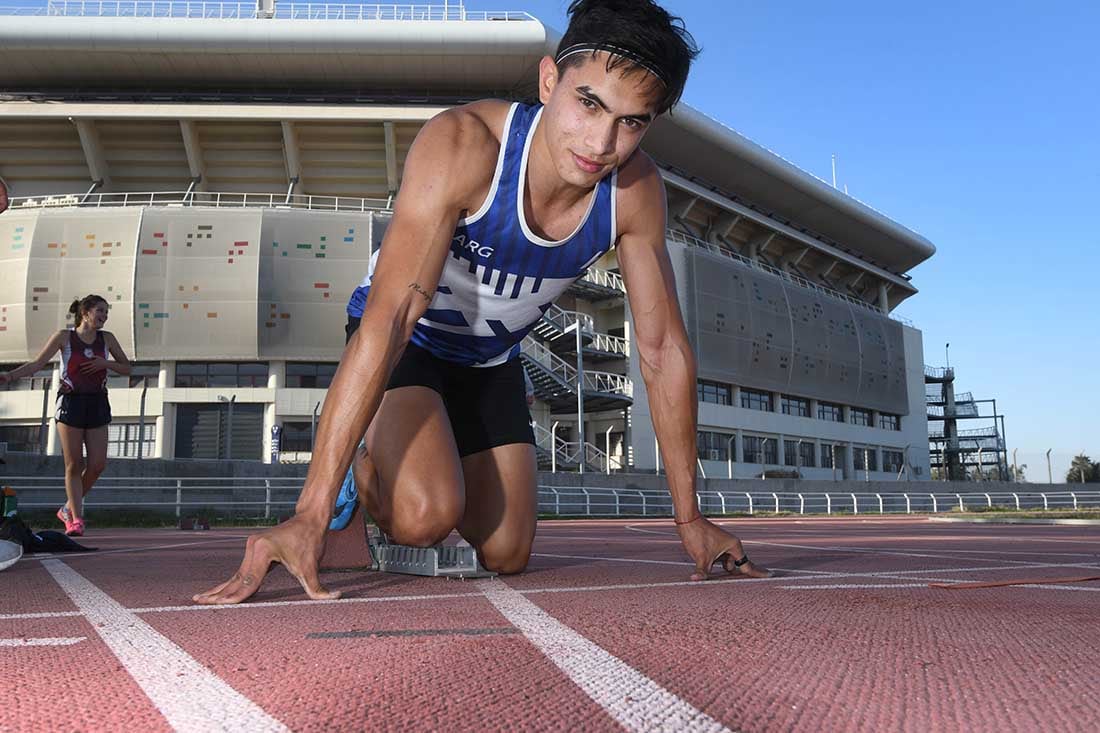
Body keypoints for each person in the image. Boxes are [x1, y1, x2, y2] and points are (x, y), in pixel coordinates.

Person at [195, 0, 770, 605]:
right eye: (589, 103)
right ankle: (361, 476)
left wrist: (690, 521)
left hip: (490, 360)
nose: (601, 142)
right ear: (550, 80)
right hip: (407, 342)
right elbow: (391, 320)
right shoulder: (465, 145)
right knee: (424, 517)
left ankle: (413, 457)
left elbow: (660, 349)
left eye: (632, 122)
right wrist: (307, 513)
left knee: (507, 552)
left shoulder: (634, 190)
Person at [0, 295, 131, 536]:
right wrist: (9, 377)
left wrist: (106, 364)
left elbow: (127, 367)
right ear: (86, 312)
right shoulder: (64, 337)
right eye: (100, 311)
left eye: (106, 312)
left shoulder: (107, 339)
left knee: (98, 464)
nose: (104, 316)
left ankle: (68, 508)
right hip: (71, 402)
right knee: (74, 464)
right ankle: (76, 519)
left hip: (98, 402)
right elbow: (37, 364)